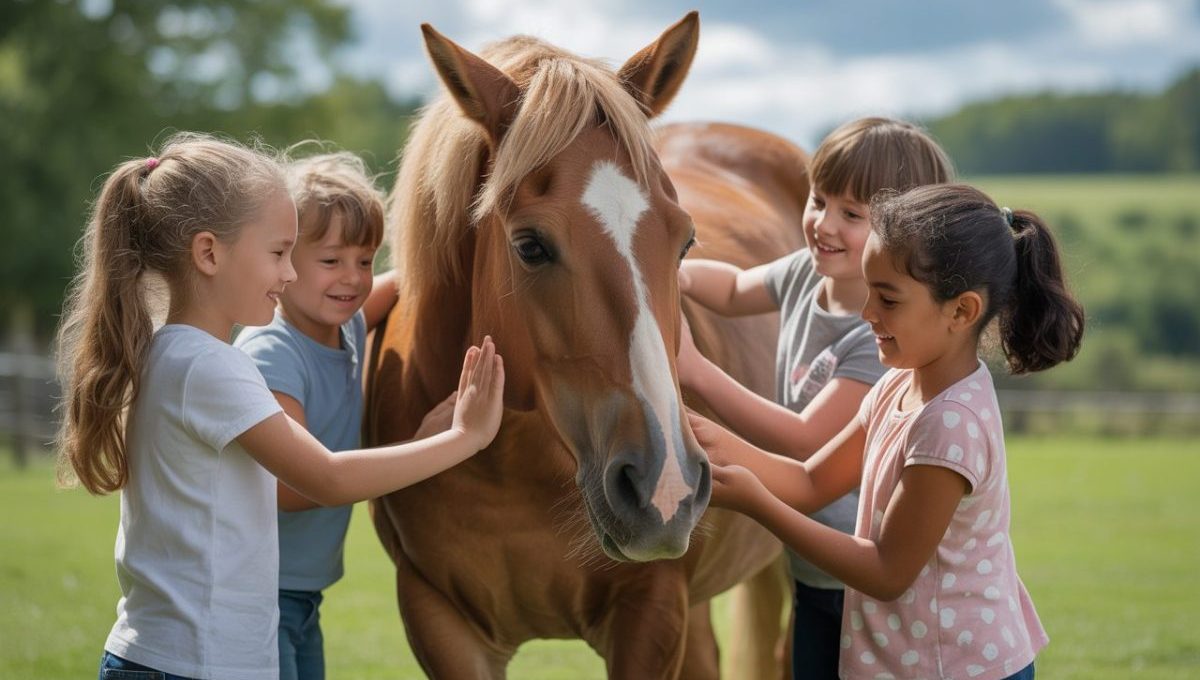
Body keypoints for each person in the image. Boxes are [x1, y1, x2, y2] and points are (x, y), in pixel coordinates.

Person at [54, 133, 505, 680]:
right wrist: (463, 437)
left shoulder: (171, 353)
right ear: (208, 253)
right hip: (195, 665)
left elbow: (384, 291)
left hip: (185, 656)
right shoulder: (213, 367)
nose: (289, 274)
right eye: (278, 253)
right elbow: (326, 479)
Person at [692, 183, 1085, 680]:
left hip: (957, 668)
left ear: (961, 311)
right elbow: (811, 483)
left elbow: (886, 572)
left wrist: (756, 503)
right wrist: (705, 437)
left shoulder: (949, 424)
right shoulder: (897, 384)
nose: (867, 313)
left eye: (888, 299)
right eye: (868, 290)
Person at [677, 117, 953, 678]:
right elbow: (731, 289)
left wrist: (698, 372)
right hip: (812, 569)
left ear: (908, 230)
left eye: (851, 214)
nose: (822, 225)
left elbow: (807, 439)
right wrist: (661, 271)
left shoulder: (878, 339)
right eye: (817, 200)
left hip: (866, 582)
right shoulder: (806, 274)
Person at [232, 151, 400, 680]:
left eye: (365, 260)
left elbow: (407, 282)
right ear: (285, 261)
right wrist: (426, 442)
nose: (352, 278)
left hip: (302, 594)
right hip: (257, 597)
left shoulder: (344, 325)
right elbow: (292, 487)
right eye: (331, 261)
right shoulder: (273, 350)